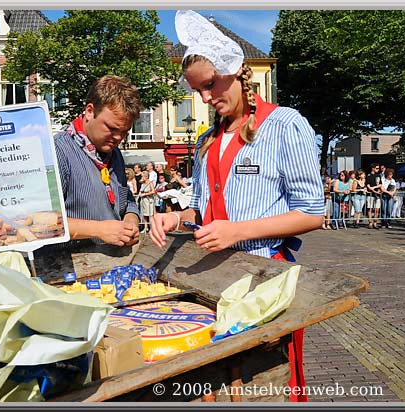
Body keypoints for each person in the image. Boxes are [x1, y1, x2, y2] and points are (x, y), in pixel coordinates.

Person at [150, 10, 324, 402]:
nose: (207, 97)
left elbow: (313, 213)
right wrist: (176, 216)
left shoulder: (284, 125)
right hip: (213, 280)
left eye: (211, 85)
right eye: (198, 91)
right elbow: (200, 208)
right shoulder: (207, 138)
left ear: (236, 71)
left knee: (267, 384)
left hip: (263, 279)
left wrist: (238, 230)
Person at [44, 75, 142, 249]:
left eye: (124, 132)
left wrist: (130, 222)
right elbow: (42, 221)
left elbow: (127, 201)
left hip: (111, 266)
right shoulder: (57, 152)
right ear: (90, 111)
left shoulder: (114, 154)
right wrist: (98, 230)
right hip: (68, 268)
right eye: (111, 128)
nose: (118, 137)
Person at [365, 163, 382, 229]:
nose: (378, 169)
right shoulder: (369, 175)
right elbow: (368, 185)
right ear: (373, 168)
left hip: (377, 195)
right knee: (370, 208)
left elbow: (380, 184)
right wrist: (372, 189)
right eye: (377, 168)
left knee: (377, 209)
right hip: (370, 194)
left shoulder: (379, 175)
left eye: (378, 168)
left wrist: (374, 188)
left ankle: (375, 222)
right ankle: (370, 222)